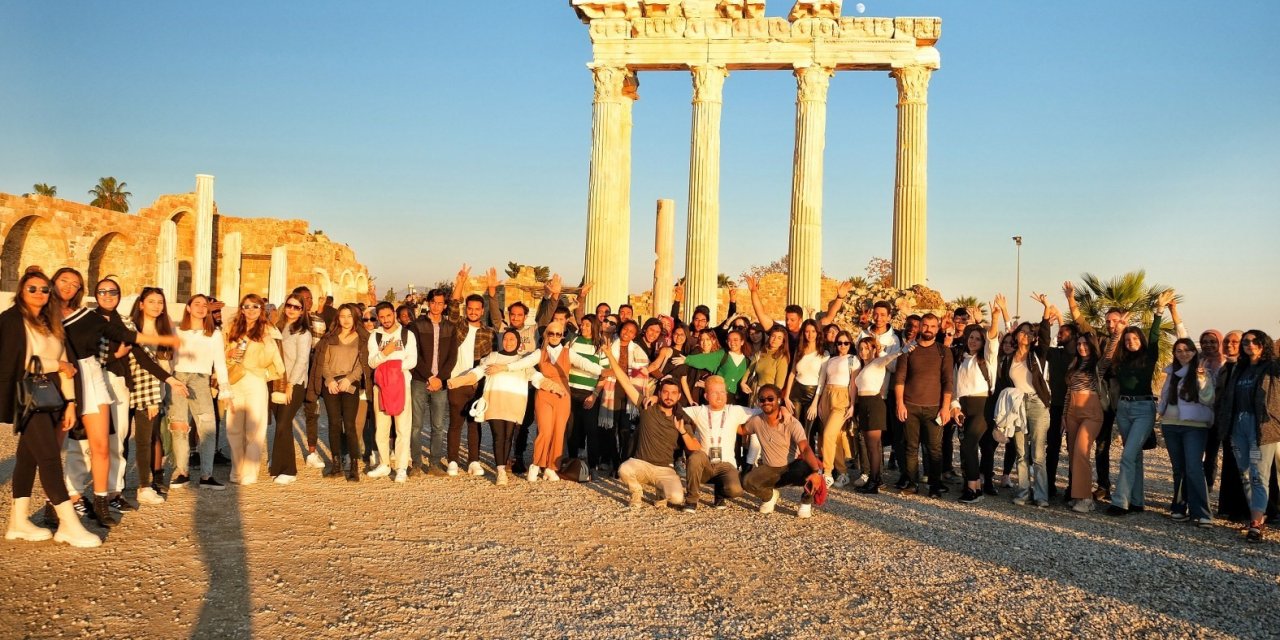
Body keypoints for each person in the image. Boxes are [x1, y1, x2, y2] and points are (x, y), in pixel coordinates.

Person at [51, 267, 179, 525]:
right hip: (88, 379)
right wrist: (114, 356)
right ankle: (75, 494)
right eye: (103, 291)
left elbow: (141, 355)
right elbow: (78, 353)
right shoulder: (85, 317)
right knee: (81, 442)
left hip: (118, 383)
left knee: (116, 440)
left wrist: (169, 379)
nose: (108, 295)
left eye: (113, 292)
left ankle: (112, 491)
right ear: (95, 294)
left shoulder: (125, 322)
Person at [1, 270, 101, 547]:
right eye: (32, 288)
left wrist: (71, 403)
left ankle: (17, 522)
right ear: (21, 291)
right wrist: (57, 365)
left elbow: (67, 365)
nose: (39, 293)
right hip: (25, 397)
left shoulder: (50, 322)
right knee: (49, 458)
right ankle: (69, 524)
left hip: (51, 397)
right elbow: (19, 361)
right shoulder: (12, 320)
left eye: (44, 289)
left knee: (27, 458)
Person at [494, 320, 603, 481]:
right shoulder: (540, 353)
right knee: (544, 430)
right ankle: (536, 464)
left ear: (563, 335)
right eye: (551, 333)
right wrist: (504, 367)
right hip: (544, 392)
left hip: (563, 394)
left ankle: (552, 467)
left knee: (559, 431)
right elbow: (523, 363)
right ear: (546, 335)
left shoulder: (568, 353)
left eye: (558, 334)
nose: (555, 336)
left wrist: (609, 371)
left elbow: (587, 365)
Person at [1104, 290, 1174, 517]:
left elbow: (1154, 336)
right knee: (1135, 456)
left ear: (1140, 340)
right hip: (1123, 408)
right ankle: (1137, 501)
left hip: (1144, 409)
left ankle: (1120, 502)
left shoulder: (1149, 356)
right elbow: (1111, 350)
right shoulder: (1120, 359)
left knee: (1127, 455)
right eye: (1128, 339)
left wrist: (1159, 311)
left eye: (1135, 338)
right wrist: (1119, 330)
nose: (1131, 342)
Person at [602, 350, 700, 509]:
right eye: (665, 392)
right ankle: (636, 492)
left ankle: (660, 493)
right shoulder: (647, 407)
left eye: (673, 393)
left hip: (665, 469)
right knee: (624, 469)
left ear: (679, 396)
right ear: (659, 393)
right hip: (641, 463)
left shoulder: (681, 418)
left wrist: (682, 431)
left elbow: (695, 447)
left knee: (676, 498)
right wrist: (609, 355)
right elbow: (625, 381)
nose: (669, 396)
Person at [1217, 329, 1279, 542]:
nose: (1249, 344)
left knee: (1258, 475)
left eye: (1255, 341)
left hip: (1261, 427)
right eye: (1246, 342)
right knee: (1244, 474)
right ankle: (1258, 514)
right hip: (1238, 425)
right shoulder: (1239, 368)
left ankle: (1256, 524)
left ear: (1264, 344)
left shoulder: (1271, 367)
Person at [449, 329, 532, 484]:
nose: (508, 342)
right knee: (498, 436)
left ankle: (502, 466)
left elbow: (537, 377)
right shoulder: (493, 357)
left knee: (508, 437)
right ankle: (500, 471)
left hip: (514, 403)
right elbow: (478, 371)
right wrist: (459, 381)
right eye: (505, 339)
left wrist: (555, 386)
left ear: (518, 342)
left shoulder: (522, 361)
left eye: (512, 339)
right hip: (495, 401)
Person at [124, 287, 183, 503]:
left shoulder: (165, 329)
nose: (157, 306)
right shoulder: (130, 326)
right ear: (141, 304)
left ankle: (153, 478)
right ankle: (119, 482)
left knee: (150, 435)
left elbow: (168, 361)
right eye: (151, 301)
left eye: (160, 302)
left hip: (155, 386)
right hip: (128, 385)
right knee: (122, 436)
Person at [169, 294, 230, 490]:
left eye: (205, 305)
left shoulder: (214, 334)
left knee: (207, 427)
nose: (201, 308)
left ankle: (206, 475)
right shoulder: (177, 331)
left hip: (201, 379)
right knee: (179, 426)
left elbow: (220, 362)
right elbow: (169, 358)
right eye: (197, 304)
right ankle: (182, 472)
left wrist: (225, 389)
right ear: (188, 308)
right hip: (178, 378)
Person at [223, 293, 285, 485]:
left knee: (254, 428)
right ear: (241, 309)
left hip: (255, 381)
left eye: (255, 306)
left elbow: (278, 362)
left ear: (261, 310)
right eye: (247, 306)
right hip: (235, 380)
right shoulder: (231, 328)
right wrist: (229, 353)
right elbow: (220, 354)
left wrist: (265, 374)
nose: (251, 310)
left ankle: (250, 471)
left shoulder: (268, 331)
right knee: (233, 428)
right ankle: (237, 469)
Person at [892, 313, 955, 498]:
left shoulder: (944, 351)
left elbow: (948, 381)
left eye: (933, 326)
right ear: (920, 327)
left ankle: (935, 485)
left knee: (934, 449)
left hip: (934, 408)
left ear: (938, 328)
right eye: (925, 325)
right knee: (911, 448)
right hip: (910, 406)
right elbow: (899, 379)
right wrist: (900, 403)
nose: (929, 329)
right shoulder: (908, 350)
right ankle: (912, 484)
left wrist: (945, 407)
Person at [741, 384, 826, 518]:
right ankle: (770, 496)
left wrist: (817, 472)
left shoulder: (791, 422)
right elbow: (741, 430)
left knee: (812, 469)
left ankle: (806, 502)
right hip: (770, 468)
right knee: (747, 482)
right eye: (762, 399)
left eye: (770, 398)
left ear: (779, 400)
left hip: (792, 467)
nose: (766, 402)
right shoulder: (756, 421)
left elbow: (805, 447)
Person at [309, 303, 371, 481]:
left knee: (350, 425)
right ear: (338, 318)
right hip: (331, 385)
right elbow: (323, 362)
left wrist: (349, 379)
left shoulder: (362, 338)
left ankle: (354, 466)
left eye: (349, 316)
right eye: (342, 316)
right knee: (334, 424)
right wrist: (329, 380)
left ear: (355, 318)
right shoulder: (330, 338)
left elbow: (361, 364)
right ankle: (336, 465)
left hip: (350, 384)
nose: (346, 320)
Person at [1158, 338, 1216, 526]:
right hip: (1170, 424)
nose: (1183, 353)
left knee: (1193, 467)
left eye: (1187, 350)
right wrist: (1161, 411)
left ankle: (1202, 512)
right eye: (1179, 350)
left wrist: (1201, 379)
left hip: (1194, 426)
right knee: (1178, 469)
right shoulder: (1171, 373)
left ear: (1194, 352)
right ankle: (1179, 507)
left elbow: (1208, 399)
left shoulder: (1202, 372)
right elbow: (1165, 396)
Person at [950, 299, 1002, 504]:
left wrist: (995, 318)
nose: (973, 341)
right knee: (966, 447)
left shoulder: (987, 359)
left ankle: (974, 488)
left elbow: (993, 342)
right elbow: (955, 388)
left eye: (978, 339)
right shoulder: (960, 360)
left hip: (982, 407)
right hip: (964, 408)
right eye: (971, 337)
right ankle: (974, 485)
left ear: (982, 342)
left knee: (970, 445)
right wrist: (955, 408)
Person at [680, 376, 755, 511]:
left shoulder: (735, 411)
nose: (719, 396)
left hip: (726, 465)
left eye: (722, 392)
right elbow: (675, 411)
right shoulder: (699, 411)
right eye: (714, 393)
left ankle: (719, 494)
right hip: (705, 463)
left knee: (735, 490)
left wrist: (783, 409)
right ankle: (691, 500)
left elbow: (762, 412)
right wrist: (656, 398)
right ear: (706, 396)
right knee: (695, 457)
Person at [367, 301, 418, 483]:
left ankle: (401, 467)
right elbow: (372, 362)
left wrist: (392, 368)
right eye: (382, 317)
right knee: (382, 427)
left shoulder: (407, 335)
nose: (386, 320)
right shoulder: (375, 336)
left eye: (388, 315)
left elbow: (412, 360)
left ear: (394, 314)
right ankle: (384, 463)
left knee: (402, 427)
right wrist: (385, 353)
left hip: (402, 385)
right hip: (381, 387)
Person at [852, 335, 909, 494]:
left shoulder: (877, 362)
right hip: (863, 404)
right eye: (861, 349)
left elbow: (889, 358)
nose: (863, 351)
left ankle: (874, 481)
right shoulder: (863, 367)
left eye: (867, 348)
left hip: (874, 404)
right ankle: (874, 479)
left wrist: (902, 350)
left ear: (874, 349)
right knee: (869, 445)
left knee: (873, 446)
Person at [445, 293, 494, 476]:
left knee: (474, 423)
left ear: (482, 311)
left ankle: (474, 460)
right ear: (466, 309)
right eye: (470, 308)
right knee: (455, 423)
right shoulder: (458, 326)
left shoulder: (489, 332)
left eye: (477, 309)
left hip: (477, 383)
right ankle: (452, 461)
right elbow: (452, 308)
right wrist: (461, 282)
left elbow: (491, 359)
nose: (473, 312)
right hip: (456, 380)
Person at [410, 288, 457, 475]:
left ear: (445, 305)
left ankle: (434, 464)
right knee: (416, 425)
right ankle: (416, 463)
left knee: (438, 426)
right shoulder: (416, 326)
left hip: (440, 383)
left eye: (440, 303)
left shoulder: (450, 327)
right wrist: (429, 376)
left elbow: (452, 357)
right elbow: (414, 354)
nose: (436, 306)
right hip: (420, 380)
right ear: (428, 303)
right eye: (433, 302)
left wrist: (440, 379)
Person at [267, 294, 312, 484]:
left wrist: (290, 385)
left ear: (302, 311)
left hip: (294, 384)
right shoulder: (280, 327)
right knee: (281, 424)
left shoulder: (303, 333)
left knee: (283, 424)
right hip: (277, 381)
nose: (292, 309)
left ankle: (289, 470)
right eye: (289, 305)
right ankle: (278, 464)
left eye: (296, 307)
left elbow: (302, 361)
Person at [807, 330, 859, 487]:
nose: (842, 345)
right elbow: (823, 381)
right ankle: (843, 473)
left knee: (829, 434)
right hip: (826, 396)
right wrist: (818, 402)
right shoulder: (830, 359)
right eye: (839, 343)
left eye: (846, 343)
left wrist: (852, 405)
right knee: (833, 437)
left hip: (842, 397)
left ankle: (827, 472)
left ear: (850, 344)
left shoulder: (853, 360)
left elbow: (853, 385)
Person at [1061, 331, 1105, 513]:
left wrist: (1119, 331)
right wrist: (1064, 415)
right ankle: (1078, 495)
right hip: (1072, 411)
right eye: (1079, 344)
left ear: (1092, 345)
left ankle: (1086, 498)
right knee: (1073, 454)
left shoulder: (1098, 365)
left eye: (1085, 344)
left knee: (1081, 452)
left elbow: (1110, 352)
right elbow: (1069, 392)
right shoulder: (1075, 363)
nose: (1081, 347)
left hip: (1091, 411)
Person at [784, 319, 827, 450]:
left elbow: (822, 380)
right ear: (803, 333)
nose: (810, 334)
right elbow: (792, 373)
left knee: (808, 432)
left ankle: (809, 460)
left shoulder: (823, 353)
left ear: (817, 333)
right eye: (807, 331)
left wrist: (815, 403)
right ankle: (794, 457)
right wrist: (786, 397)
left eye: (813, 331)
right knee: (794, 428)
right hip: (796, 392)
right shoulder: (799, 350)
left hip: (812, 393)